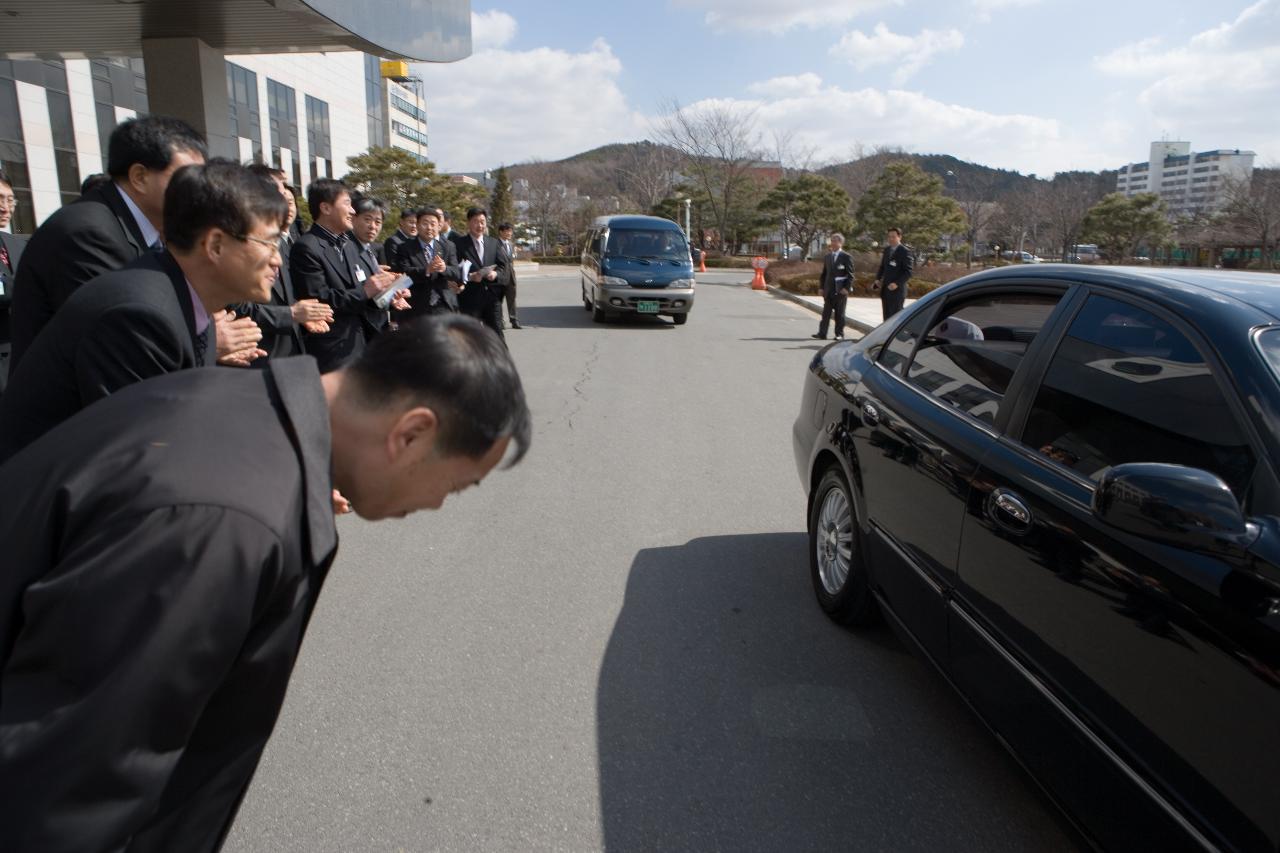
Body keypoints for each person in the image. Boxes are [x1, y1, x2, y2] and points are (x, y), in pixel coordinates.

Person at [0, 315, 531, 853]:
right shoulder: (225, 523)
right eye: (457, 486)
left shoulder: (240, 407)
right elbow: (66, 792)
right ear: (412, 434)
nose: (438, 504)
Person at [0, 160, 285, 464]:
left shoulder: (181, 298)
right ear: (215, 244)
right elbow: (148, 458)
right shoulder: (140, 316)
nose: (277, 260)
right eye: (269, 243)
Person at [8, 115, 207, 370]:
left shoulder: (141, 227)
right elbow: (122, 335)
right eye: (187, 179)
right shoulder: (88, 233)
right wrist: (204, 338)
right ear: (139, 177)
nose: (198, 192)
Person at [290, 179, 398, 372]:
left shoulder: (348, 245)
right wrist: (366, 290)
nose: (352, 211)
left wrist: (386, 292)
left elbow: (363, 293)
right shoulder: (307, 247)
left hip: (359, 342)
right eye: (347, 203)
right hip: (331, 348)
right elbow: (318, 301)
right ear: (326, 208)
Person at [232, 164, 333, 361]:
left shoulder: (282, 243)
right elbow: (237, 307)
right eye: (280, 191)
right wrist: (291, 314)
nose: (287, 197)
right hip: (257, 356)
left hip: (291, 350)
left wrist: (301, 313)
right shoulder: (237, 243)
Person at [452, 207, 509, 341]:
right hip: (469, 299)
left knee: (497, 335)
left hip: (492, 298)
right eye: (476, 221)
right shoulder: (458, 244)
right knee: (471, 337)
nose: (480, 225)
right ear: (468, 223)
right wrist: (470, 277)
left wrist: (495, 275)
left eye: (482, 222)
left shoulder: (494, 243)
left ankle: (499, 361)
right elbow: (453, 270)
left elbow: (503, 268)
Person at [396, 207, 461, 317]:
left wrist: (445, 269)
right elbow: (403, 273)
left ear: (438, 226)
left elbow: (456, 273)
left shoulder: (448, 246)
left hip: (443, 304)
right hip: (416, 306)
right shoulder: (405, 247)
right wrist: (426, 270)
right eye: (425, 223)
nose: (429, 228)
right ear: (417, 225)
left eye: (433, 224)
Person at [0, 171, 28, 394]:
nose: (5, 207)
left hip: (22, 356)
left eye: (10, 199)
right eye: (0, 199)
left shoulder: (18, 245)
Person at [812, 232, 854, 340]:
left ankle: (839, 334)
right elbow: (824, 274)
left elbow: (850, 275)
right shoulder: (828, 257)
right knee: (826, 313)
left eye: (835, 241)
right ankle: (822, 333)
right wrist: (821, 287)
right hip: (828, 290)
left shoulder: (846, 257)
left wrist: (846, 288)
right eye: (832, 241)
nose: (833, 243)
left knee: (839, 314)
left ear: (841, 243)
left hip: (840, 290)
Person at [874, 227, 913, 321]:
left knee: (895, 318)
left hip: (897, 291)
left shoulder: (905, 251)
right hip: (886, 289)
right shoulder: (887, 250)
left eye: (893, 237)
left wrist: (897, 283)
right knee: (886, 317)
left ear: (900, 237)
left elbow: (908, 272)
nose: (891, 239)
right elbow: (882, 266)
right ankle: (887, 335)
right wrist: (877, 279)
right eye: (889, 237)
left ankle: (895, 335)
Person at [498, 222, 521, 329]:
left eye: (511, 231)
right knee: (498, 300)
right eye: (507, 231)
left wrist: (514, 254)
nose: (509, 233)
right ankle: (500, 321)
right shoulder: (495, 244)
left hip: (511, 277)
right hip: (500, 276)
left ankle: (514, 321)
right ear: (501, 232)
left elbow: (510, 259)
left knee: (512, 299)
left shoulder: (511, 245)